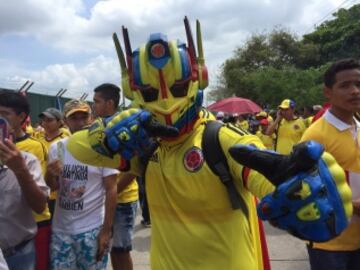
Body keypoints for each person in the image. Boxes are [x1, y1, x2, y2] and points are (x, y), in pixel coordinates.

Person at [65, 19, 352, 270]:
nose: (165, 102)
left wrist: (297, 183)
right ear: (134, 91)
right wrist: (104, 134)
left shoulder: (223, 140)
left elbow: (266, 176)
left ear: (197, 81)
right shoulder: (145, 148)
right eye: (151, 93)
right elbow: (76, 148)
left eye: (177, 89)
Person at [300, 58, 360, 270]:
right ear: (328, 92)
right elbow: (301, 190)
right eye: (345, 85)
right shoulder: (315, 135)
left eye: (358, 84)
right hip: (329, 243)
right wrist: (351, 204)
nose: (355, 91)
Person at [45, 99, 118, 270]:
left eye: (83, 117)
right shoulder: (58, 148)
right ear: (65, 121)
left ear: (91, 119)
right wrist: (50, 173)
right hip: (61, 230)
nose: (80, 123)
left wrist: (106, 231)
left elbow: (111, 189)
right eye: (74, 118)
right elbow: (52, 186)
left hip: (91, 229)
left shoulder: (102, 148)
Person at [0, 91, 51, 270]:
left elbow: (39, 205)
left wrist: (20, 169)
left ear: (21, 118)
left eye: (3, 114)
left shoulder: (28, 159)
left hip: (18, 253)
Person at [93, 83, 139, 270]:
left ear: (109, 103)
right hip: (107, 199)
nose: (93, 105)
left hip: (123, 199)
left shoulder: (125, 126)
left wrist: (110, 194)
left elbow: (134, 169)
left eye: (97, 101)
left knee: (121, 250)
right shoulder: (97, 127)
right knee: (110, 248)